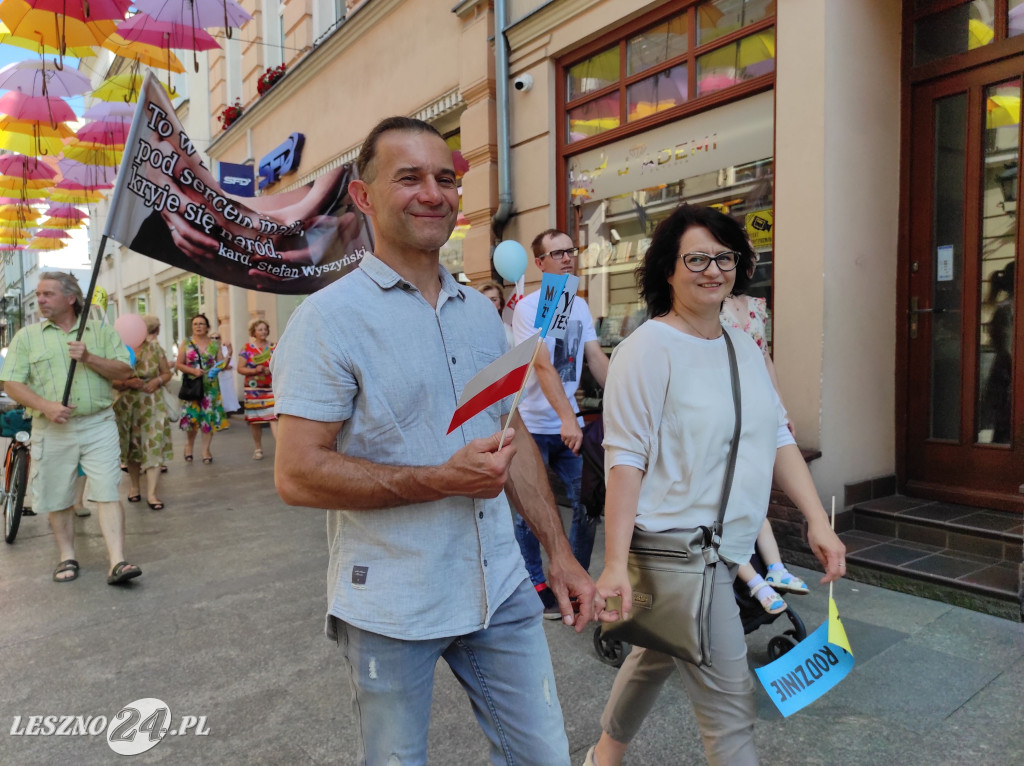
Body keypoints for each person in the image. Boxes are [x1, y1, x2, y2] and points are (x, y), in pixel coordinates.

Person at [272, 116, 598, 766]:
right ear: (364, 197)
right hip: (392, 602)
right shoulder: (327, 321)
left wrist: (558, 551)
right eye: (410, 178)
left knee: (546, 758)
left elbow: (510, 438)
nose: (434, 193)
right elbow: (297, 474)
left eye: (446, 178)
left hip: (498, 583)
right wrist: (438, 480)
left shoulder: (480, 313)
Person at [587, 205, 846, 766]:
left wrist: (817, 521)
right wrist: (613, 563)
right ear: (668, 270)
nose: (712, 270)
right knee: (732, 718)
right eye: (696, 258)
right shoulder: (645, 350)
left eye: (723, 257)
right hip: (682, 552)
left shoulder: (743, 347)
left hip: (728, 551)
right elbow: (624, 460)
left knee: (654, 653)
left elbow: (778, 434)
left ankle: (602, 756)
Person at [0, 272, 142, 585]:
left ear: (70, 298)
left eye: (48, 294)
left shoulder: (100, 331)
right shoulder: (27, 337)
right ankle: (67, 555)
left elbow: (124, 368)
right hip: (51, 428)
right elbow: (11, 382)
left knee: (107, 491)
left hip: (99, 423)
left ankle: (117, 561)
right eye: (39, 294)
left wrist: (89, 357)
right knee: (57, 496)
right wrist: (45, 406)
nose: (40, 300)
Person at [511, 228, 609, 616]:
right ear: (540, 264)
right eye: (557, 254)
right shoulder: (528, 307)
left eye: (571, 251)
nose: (568, 258)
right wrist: (568, 418)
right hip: (533, 425)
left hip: (569, 428)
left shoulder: (579, 306)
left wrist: (627, 398)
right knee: (529, 512)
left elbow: (595, 359)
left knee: (587, 505)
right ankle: (536, 582)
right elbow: (541, 364)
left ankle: (576, 579)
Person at [721, 291, 809, 614]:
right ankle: (757, 584)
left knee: (753, 506)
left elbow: (766, 358)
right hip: (726, 415)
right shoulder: (707, 303)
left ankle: (775, 570)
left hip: (758, 414)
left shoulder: (757, 307)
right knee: (727, 508)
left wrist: (781, 410)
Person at [113, 315, 173, 510]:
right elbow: (109, 380)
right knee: (132, 447)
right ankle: (134, 487)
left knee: (153, 444)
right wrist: (126, 383)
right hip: (127, 404)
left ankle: (153, 494)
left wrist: (157, 381)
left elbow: (166, 372)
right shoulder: (118, 351)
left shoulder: (155, 348)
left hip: (152, 403)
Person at [175, 314, 226, 463]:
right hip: (192, 386)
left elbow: (221, 365)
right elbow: (179, 364)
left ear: (207, 327)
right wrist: (193, 371)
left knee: (208, 419)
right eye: (195, 324)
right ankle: (189, 446)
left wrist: (227, 352)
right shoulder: (186, 343)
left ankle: (205, 450)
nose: (198, 326)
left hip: (210, 387)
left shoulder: (213, 344)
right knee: (192, 419)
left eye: (201, 324)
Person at [238, 319, 277, 460]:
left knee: (274, 417)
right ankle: (258, 447)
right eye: (260, 329)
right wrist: (255, 370)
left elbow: (280, 364)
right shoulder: (247, 348)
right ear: (254, 332)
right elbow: (240, 368)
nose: (263, 332)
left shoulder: (274, 347)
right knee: (255, 420)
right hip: (253, 390)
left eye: (265, 329)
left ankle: (279, 449)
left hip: (271, 388)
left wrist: (270, 369)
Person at [478, 281, 514, 349]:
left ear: (500, 303)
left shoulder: (508, 331)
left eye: (493, 300)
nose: (489, 303)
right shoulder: (472, 331)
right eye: (484, 300)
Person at [211, 329, 240, 414]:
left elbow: (230, 364)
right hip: (214, 377)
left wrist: (220, 367)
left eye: (217, 338)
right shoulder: (208, 350)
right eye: (212, 338)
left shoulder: (225, 349)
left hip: (225, 377)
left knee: (226, 395)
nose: (215, 340)